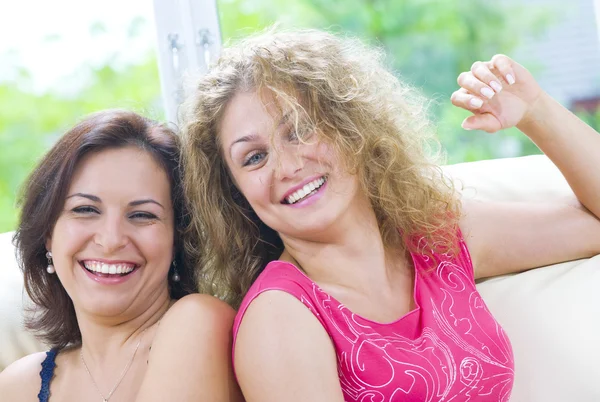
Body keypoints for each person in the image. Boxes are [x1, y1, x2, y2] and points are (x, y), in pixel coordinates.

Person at [181, 28, 600, 401]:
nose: (287, 166)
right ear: (234, 193)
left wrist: (536, 112)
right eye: (254, 157)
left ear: (351, 126)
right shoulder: (280, 317)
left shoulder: (438, 237)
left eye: (301, 130)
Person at [0, 110, 243, 401]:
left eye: (142, 215)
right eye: (85, 210)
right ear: (48, 234)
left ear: (177, 240)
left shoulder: (198, 321)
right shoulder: (19, 385)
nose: (111, 240)